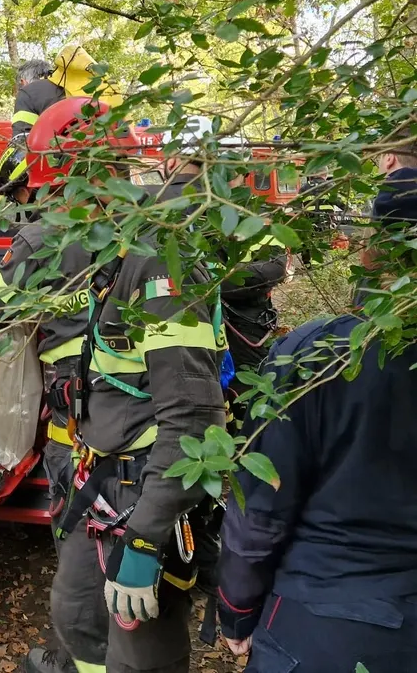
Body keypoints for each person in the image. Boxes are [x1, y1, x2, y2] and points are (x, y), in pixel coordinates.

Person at [49, 108, 226, 673]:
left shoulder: (158, 267)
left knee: (140, 652)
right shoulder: (115, 254)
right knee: (77, 615)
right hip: (102, 478)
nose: (56, 209)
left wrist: (148, 539)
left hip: (145, 488)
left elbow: (194, 420)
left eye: (62, 189)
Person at [216, 174, 417, 672]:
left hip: (324, 620)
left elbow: (261, 506)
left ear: (379, 246)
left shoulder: (318, 355)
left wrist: (236, 609)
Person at [0, 123, 109, 673]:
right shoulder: (146, 222)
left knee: (78, 547)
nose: (19, 208)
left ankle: (74, 658)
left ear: (42, 180)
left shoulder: (39, 240)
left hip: (79, 430)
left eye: (21, 196)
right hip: (151, 427)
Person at [161, 119, 289, 377]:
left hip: (238, 329)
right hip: (221, 330)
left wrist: (211, 281)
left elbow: (274, 268)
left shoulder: (252, 214)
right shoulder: (226, 210)